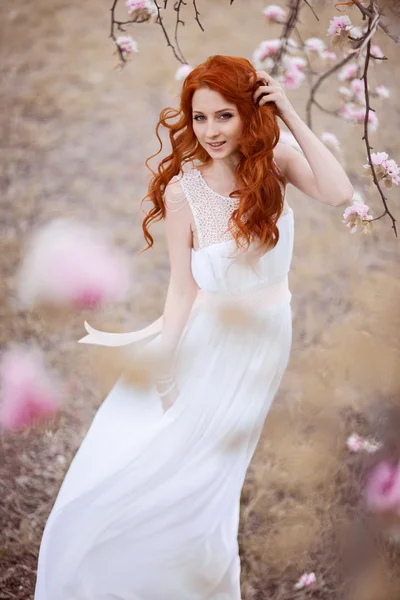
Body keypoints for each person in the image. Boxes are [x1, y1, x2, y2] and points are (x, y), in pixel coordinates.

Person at [34, 55, 353, 599]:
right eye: (199, 118)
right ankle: (125, 570)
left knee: (219, 477)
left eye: (224, 116)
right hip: (210, 343)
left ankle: (200, 576)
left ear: (251, 114)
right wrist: (166, 363)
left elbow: (339, 192)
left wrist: (293, 118)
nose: (210, 132)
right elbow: (182, 288)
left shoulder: (275, 162)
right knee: (170, 463)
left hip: (268, 341)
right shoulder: (187, 192)